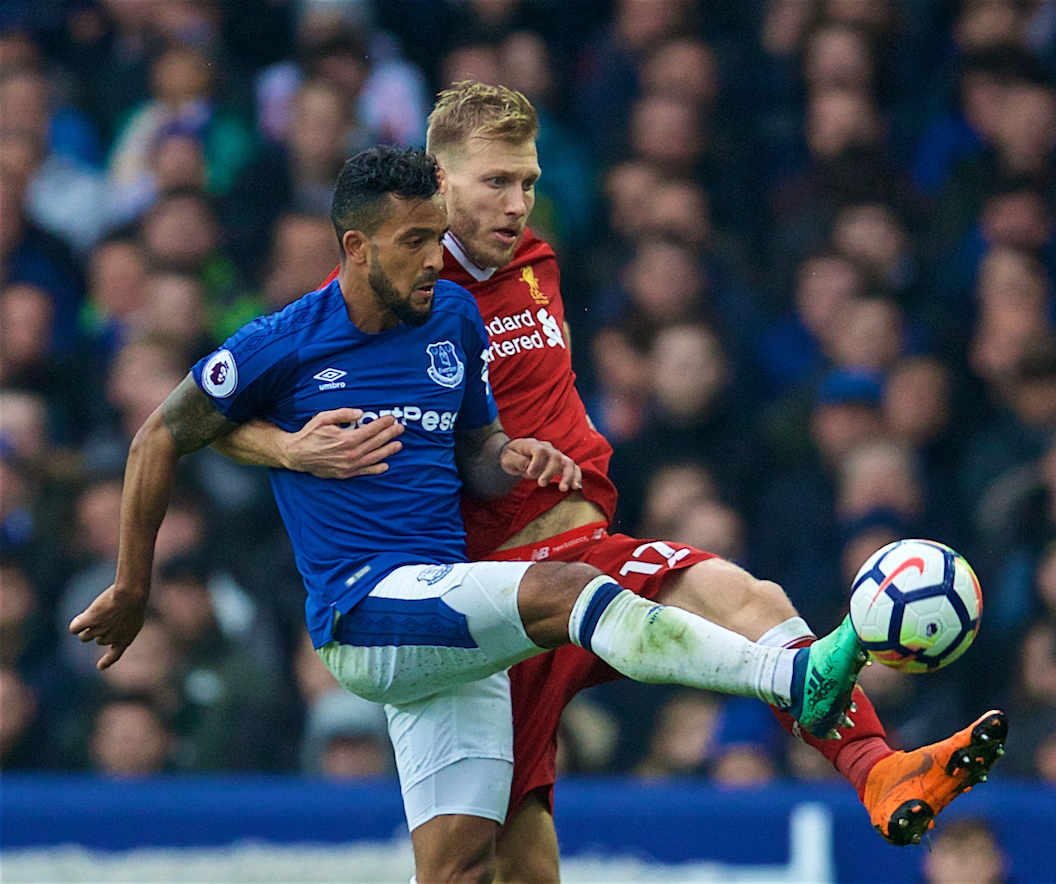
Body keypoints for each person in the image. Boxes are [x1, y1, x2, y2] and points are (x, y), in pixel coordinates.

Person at [215, 85, 1007, 878]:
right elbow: (216, 414)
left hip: (577, 566)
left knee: (743, 602)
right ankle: (867, 759)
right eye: (495, 182)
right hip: (507, 593)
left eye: (528, 181)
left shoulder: (534, 261)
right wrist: (290, 449)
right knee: (494, 865)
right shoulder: (394, 300)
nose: (518, 203)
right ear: (439, 181)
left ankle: (878, 770)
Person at [69, 145, 868, 884]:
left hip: (445, 619)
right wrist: (136, 587)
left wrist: (511, 457)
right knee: (564, 590)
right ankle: (788, 675)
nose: (432, 259)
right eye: (413, 241)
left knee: (460, 868)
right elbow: (157, 438)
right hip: (364, 608)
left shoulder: (451, 319)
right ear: (355, 248)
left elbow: (476, 449)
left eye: (436, 237)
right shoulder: (286, 342)